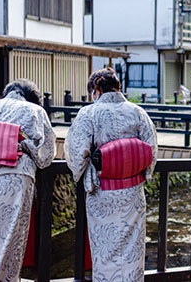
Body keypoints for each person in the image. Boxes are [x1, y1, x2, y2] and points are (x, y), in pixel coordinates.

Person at [65, 67, 158, 282]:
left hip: (102, 191)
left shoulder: (89, 113)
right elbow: (151, 151)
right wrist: (141, 172)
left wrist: (83, 171)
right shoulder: (137, 112)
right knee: (132, 251)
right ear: (119, 88)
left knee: (105, 251)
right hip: (133, 191)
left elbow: (77, 155)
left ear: (96, 89)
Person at [0, 79, 56, 282]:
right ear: (33, 98)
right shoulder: (34, 110)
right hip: (12, 178)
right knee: (8, 244)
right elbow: (46, 154)